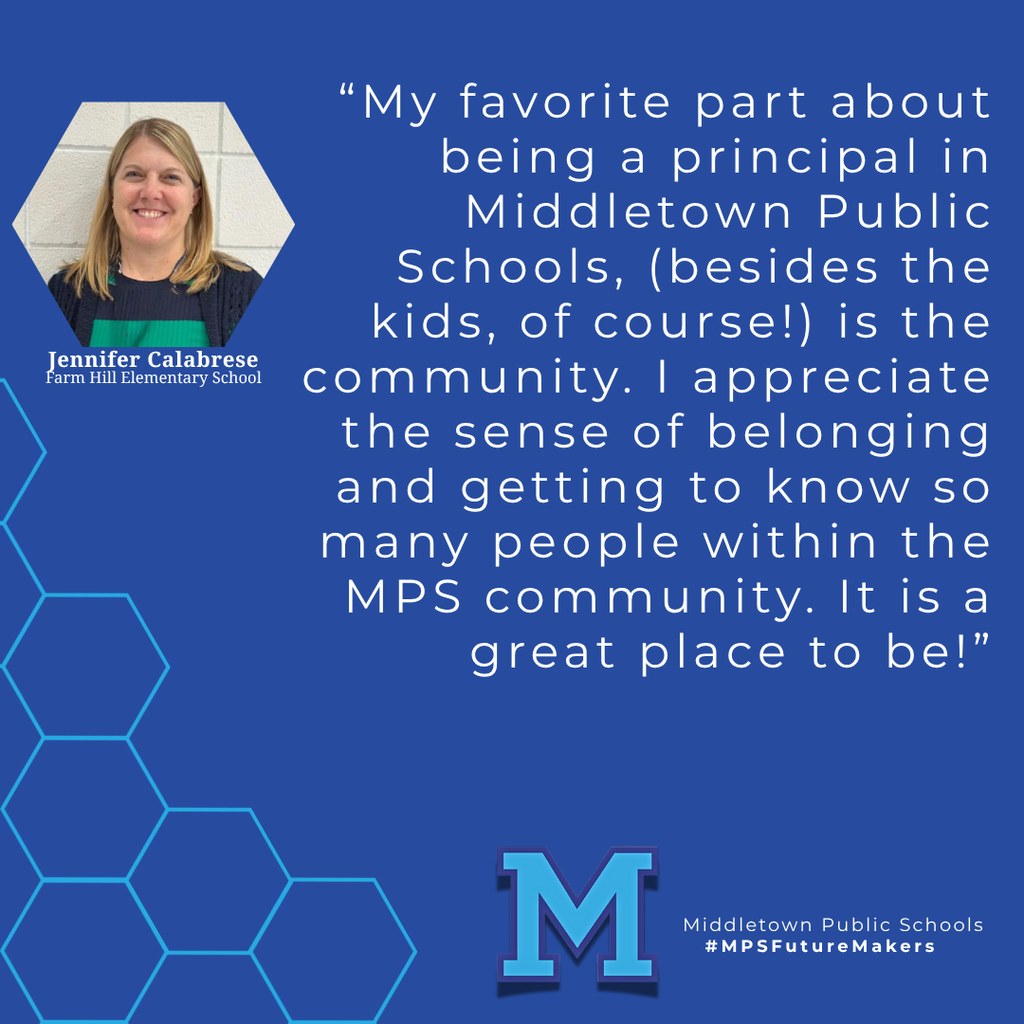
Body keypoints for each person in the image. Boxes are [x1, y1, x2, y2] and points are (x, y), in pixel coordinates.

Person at [47, 118, 261, 348]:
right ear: (111, 192)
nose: (150, 192)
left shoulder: (242, 293)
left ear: (194, 198)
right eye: (134, 174)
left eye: (171, 177)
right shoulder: (66, 291)